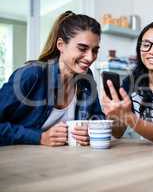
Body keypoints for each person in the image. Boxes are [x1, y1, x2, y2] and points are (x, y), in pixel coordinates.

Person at [0, 11, 104, 146]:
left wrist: (91, 131)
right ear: (61, 45)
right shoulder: (31, 75)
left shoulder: (86, 78)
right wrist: (39, 137)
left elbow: (97, 117)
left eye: (95, 50)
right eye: (82, 48)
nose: (90, 57)